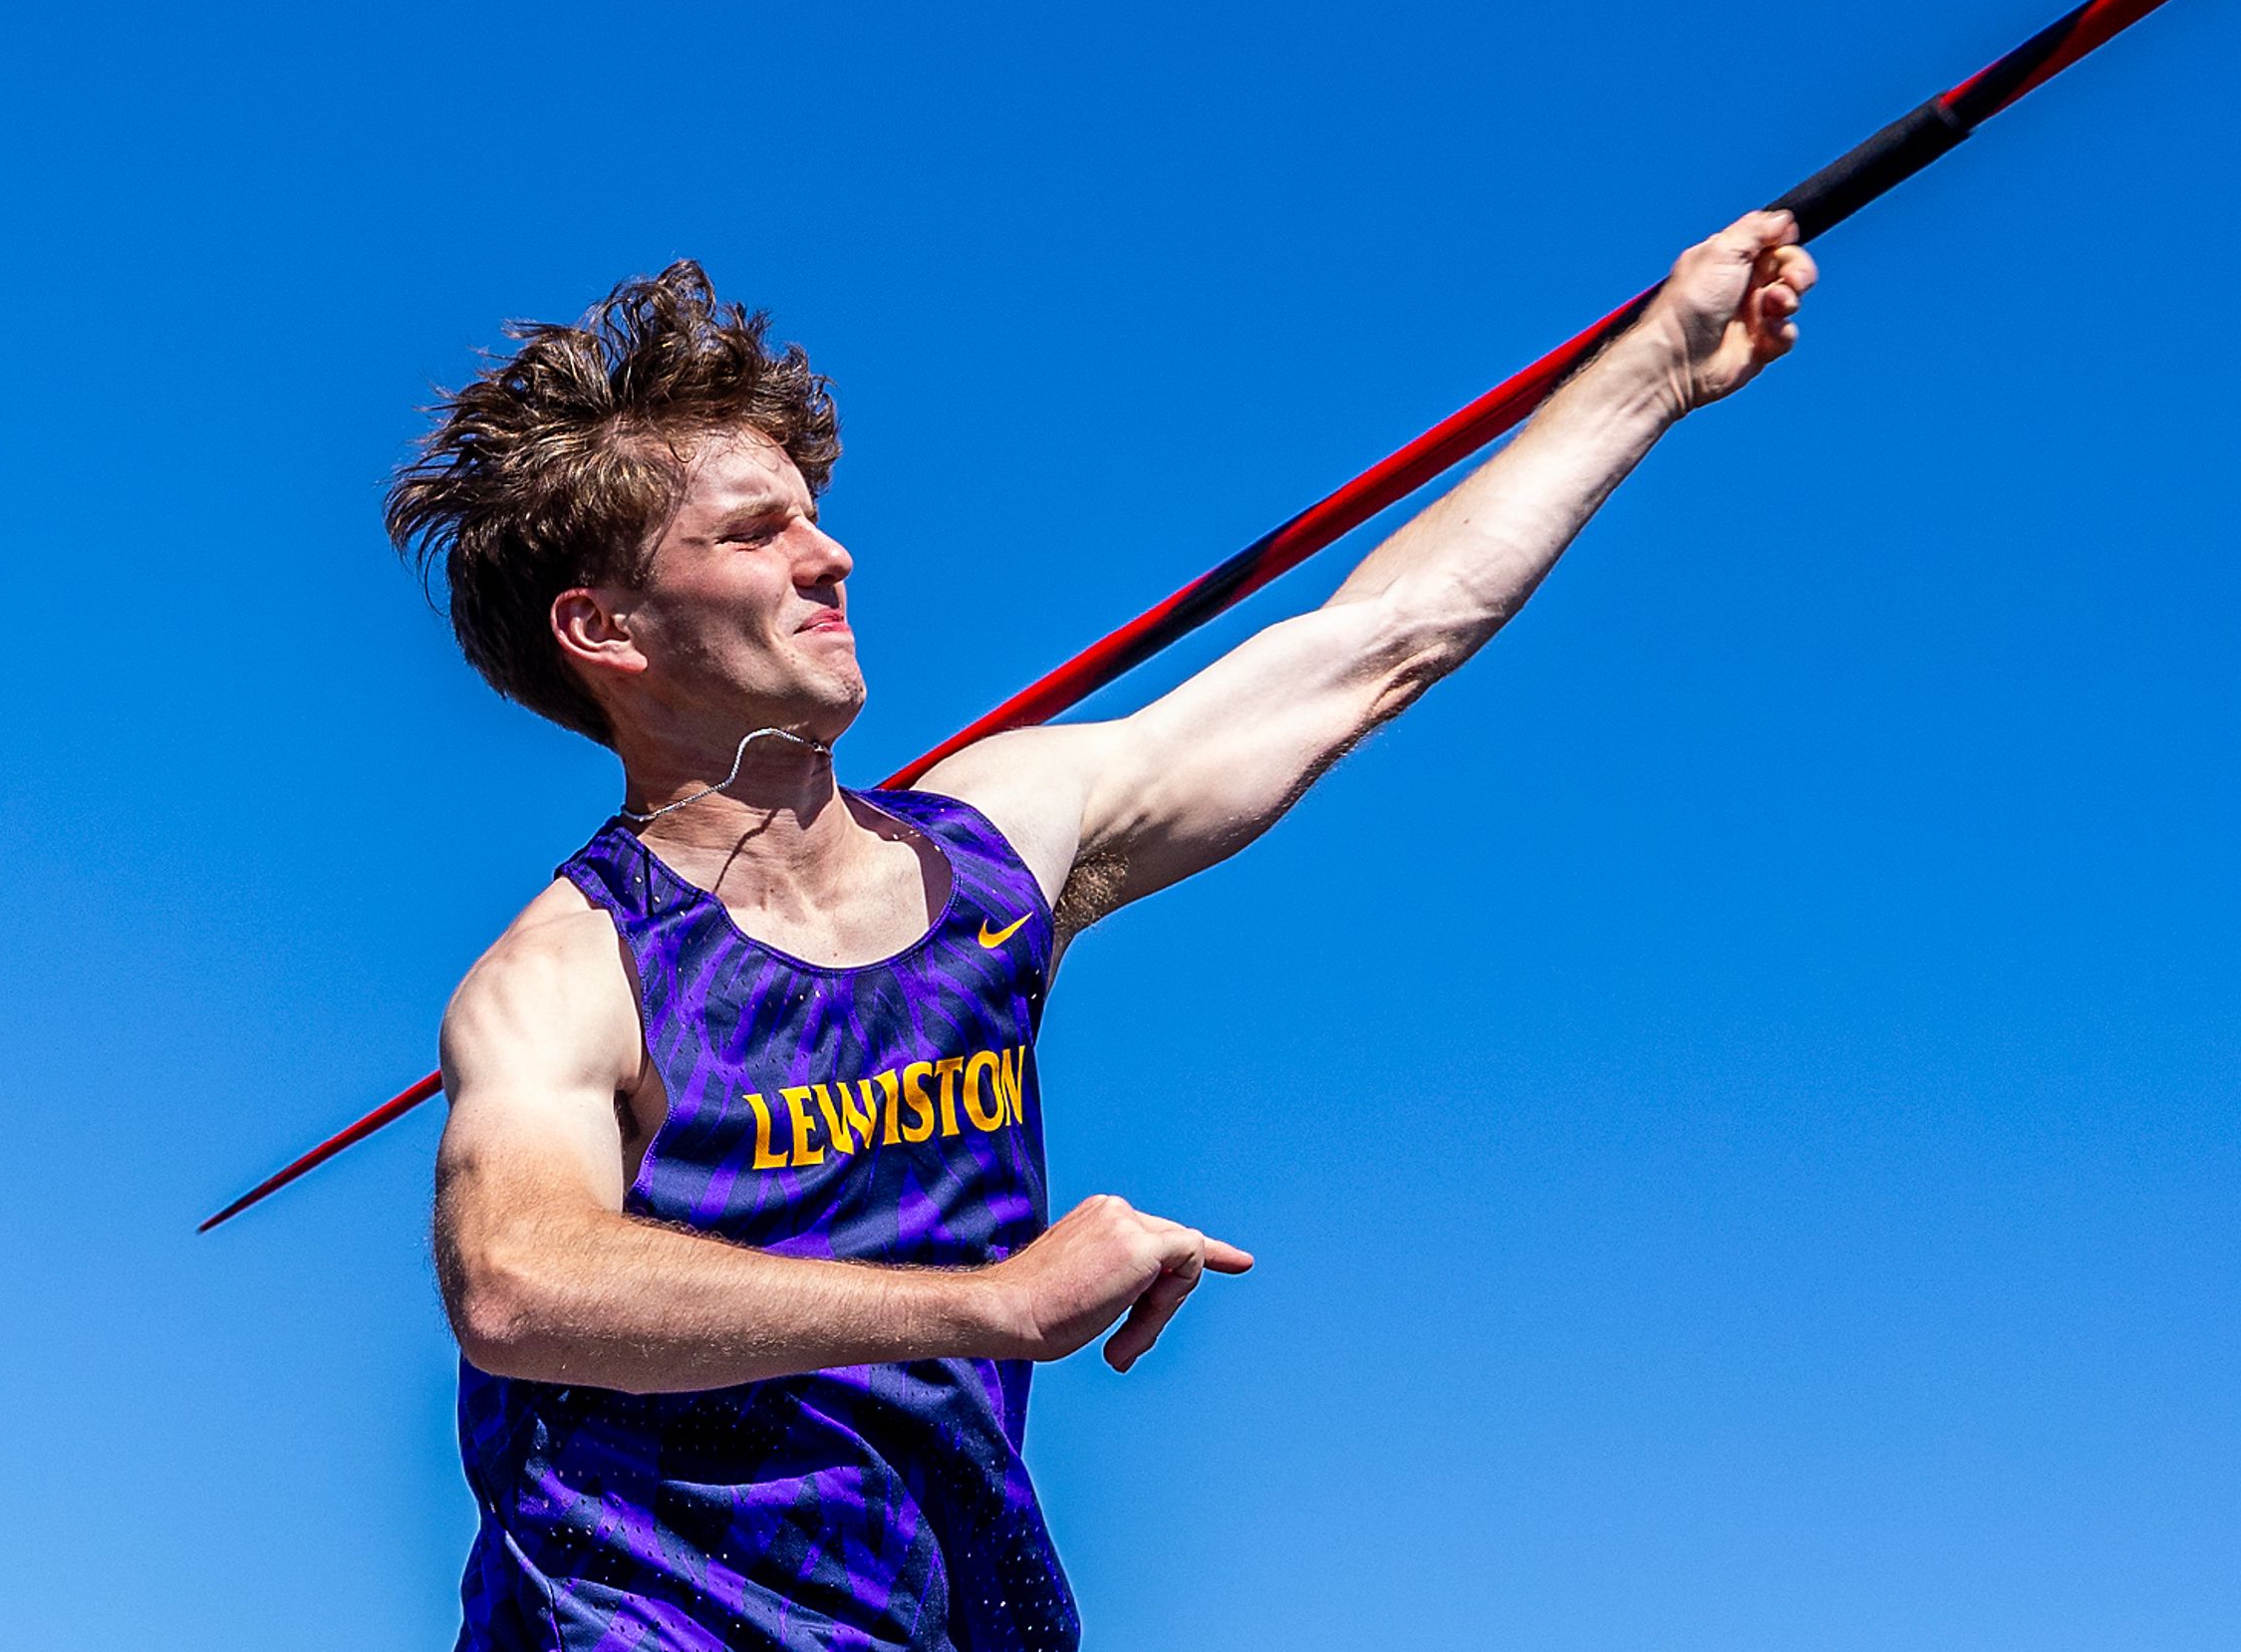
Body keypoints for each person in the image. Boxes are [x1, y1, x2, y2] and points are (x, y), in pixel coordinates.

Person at [407, 209, 1817, 1650]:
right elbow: (519, 1281)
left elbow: (1378, 643)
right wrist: (993, 1302)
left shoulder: (997, 840)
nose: (831, 558)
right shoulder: (565, 972)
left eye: (816, 514)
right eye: (755, 531)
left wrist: (1660, 366)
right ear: (609, 631)